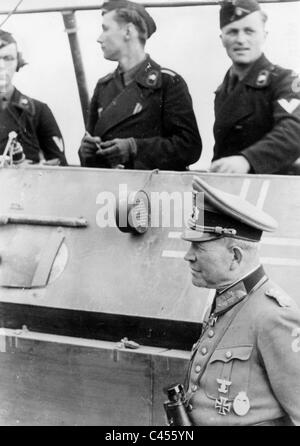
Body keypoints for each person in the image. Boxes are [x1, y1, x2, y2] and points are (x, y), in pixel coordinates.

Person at [181, 176, 300, 425]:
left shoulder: (273, 316)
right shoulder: (226, 301)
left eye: (198, 248)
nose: (188, 256)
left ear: (235, 256)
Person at [78, 0, 202, 170]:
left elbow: (189, 147)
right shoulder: (103, 87)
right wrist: (86, 151)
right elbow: (91, 147)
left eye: (105, 29)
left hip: (155, 192)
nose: (99, 39)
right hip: (108, 191)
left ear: (128, 31)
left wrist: (135, 147)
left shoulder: (167, 82)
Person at [210, 0, 300, 174]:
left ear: (264, 36)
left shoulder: (285, 81)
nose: (241, 40)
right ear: (222, 39)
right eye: (232, 32)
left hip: (276, 189)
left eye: (249, 31)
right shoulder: (223, 91)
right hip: (233, 192)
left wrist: (248, 160)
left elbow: (295, 131)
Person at [0, 30, 67, 166]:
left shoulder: (38, 111)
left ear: (18, 62)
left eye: (8, 58)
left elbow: (59, 166)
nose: (1, 66)